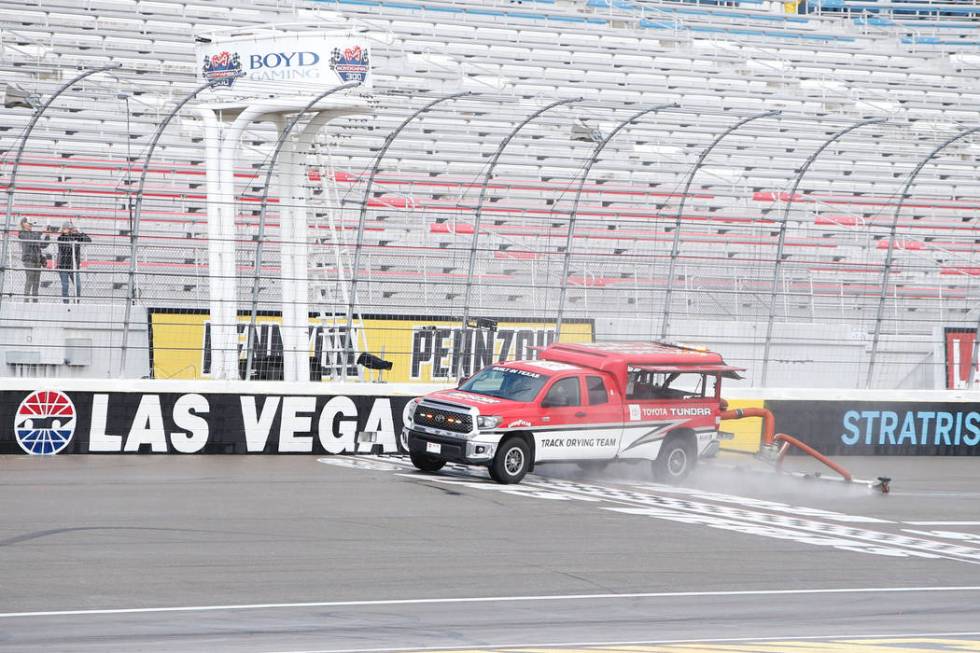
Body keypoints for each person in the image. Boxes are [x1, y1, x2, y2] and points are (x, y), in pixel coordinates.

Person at [17, 218, 51, 302]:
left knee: (36, 281)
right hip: (28, 260)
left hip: (37, 260)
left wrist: (47, 235)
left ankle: (35, 301)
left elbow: (43, 245)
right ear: (23, 224)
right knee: (30, 279)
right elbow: (31, 241)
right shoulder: (22, 234)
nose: (31, 225)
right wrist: (41, 232)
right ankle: (26, 300)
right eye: (29, 223)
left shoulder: (34, 234)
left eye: (31, 224)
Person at [56, 222, 91, 303]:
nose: (69, 230)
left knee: (78, 286)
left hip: (74, 266)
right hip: (63, 266)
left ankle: (76, 302)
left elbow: (88, 240)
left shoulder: (76, 236)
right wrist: (73, 239)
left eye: (70, 228)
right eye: (67, 228)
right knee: (65, 286)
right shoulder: (61, 238)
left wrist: (80, 233)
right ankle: (66, 303)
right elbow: (66, 248)